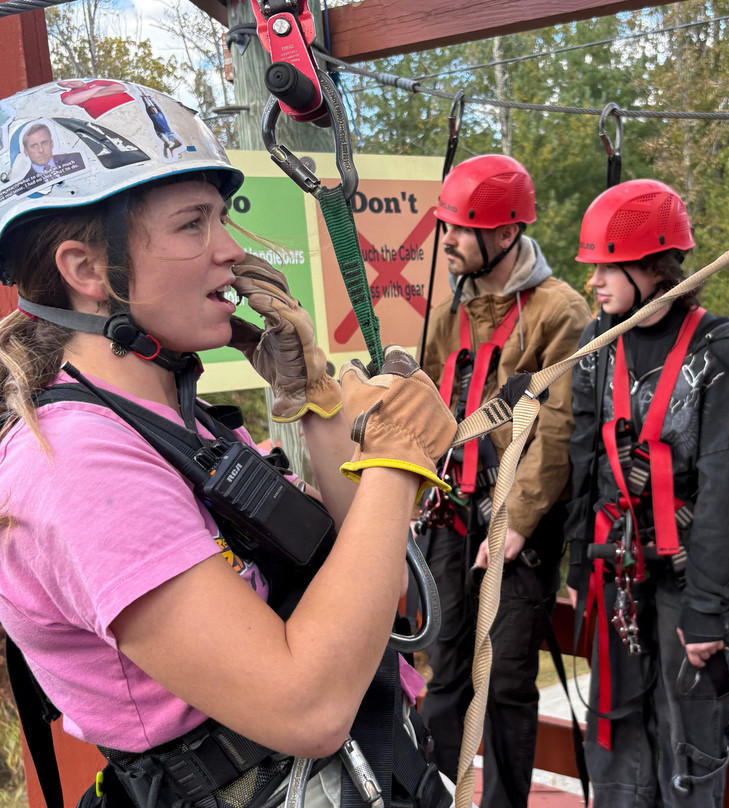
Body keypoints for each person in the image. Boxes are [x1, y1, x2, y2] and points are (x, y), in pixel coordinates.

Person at [0, 80, 457, 808]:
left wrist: (313, 403)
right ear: (87, 271)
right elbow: (305, 705)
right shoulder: (80, 467)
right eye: (192, 225)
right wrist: (395, 467)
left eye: (222, 219)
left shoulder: (180, 426)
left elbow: (362, 591)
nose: (231, 251)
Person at [564, 179, 729, 808]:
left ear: (653, 266)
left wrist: (711, 603)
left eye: (607, 267)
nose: (594, 283)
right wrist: (579, 559)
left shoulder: (716, 351)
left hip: (690, 578)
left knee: (689, 739)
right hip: (618, 569)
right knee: (618, 735)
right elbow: (583, 458)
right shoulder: (596, 346)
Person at [418, 154, 590, 808]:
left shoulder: (559, 314)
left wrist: (514, 523)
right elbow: (432, 406)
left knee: (509, 683)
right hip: (451, 516)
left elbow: (559, 424)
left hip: (516, 528)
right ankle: (432, 796)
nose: (448, 239)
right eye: (449, 226)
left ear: (504, 233)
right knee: (445, 677)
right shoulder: (452, 315)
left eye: (462, 228)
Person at [19, 121, 84, 183]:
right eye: (34, 146)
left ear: (51, 143)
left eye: (44, 143)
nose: (41, 150)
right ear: (26, 151)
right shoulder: (24, 185)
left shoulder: (77, 159)